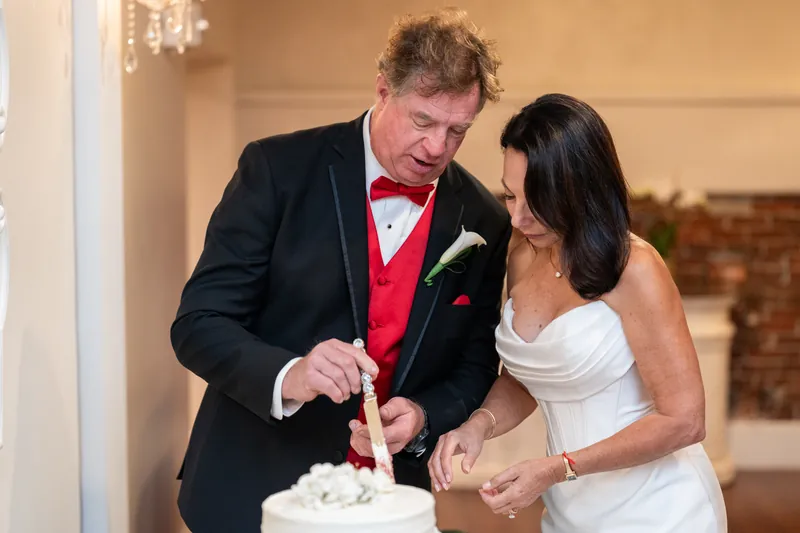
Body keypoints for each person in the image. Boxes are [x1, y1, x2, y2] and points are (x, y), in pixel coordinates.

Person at [170, 8, 512, 532]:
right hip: (254, 488)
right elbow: (198, 324)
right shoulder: (277, 170)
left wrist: (423, 415)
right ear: (382, 90)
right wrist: (293, 373)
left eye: (457, 131)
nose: (437, 147)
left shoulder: (482, 219)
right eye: (423, 121)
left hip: (389, 500)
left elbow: (473, 368)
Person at [428, 94, 728, 532]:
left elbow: (684, 421)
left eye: (537, 201)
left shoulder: (636, 269)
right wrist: (479, 425)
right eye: (510, 196)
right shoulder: (522, 256)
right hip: (570, 510)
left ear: (581, 188)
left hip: (661, 510)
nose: (518, 218)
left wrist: (556, 468)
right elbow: (530, 375)